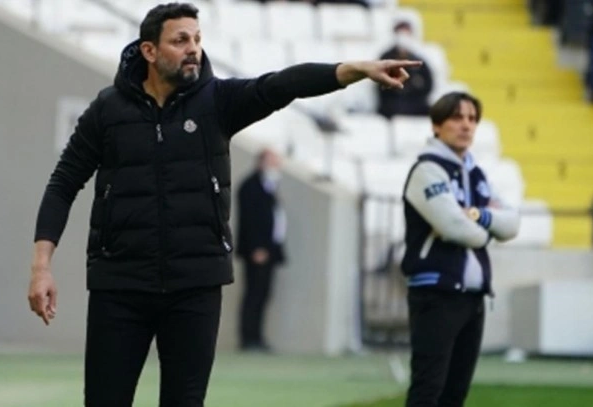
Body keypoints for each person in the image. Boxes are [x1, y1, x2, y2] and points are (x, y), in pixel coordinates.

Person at [27, 2, 420, 405]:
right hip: (120, 284)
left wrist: (356, 70)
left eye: (197, 39)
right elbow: (62, 184)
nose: (193, 49)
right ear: (149, 50)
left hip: (195, 287)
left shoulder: (217, 101)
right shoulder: (107, 110)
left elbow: (282, 85)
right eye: (181, 40)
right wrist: (42, 267)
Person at [401, 92, 520, 407]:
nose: (466, 125)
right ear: (437, 125)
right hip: (436, 293)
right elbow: (454, 226)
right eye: (456, 118)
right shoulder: (427, 170)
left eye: (472, 119)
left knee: (455, 393)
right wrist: (487, 232)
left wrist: (479, 216)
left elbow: (512, 224)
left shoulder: (476, 173)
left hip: (472, 297)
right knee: (428, 388)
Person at [236, 149, 286, 352]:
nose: (276, 166)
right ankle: (248, 338)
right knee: (254, 294)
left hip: (269, 251)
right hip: (257, 252)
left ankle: (257, 337)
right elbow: (250, 220)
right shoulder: (250, 186)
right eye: (272, 161)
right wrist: (256, 247)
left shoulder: (269, 186)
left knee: (263, 294)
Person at [377, 21, 434, 119]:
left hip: (414, 103)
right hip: (392, 103)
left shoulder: (418, 60)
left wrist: (414, 88)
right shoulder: (386, 58)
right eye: (401, 34)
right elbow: (380, 85)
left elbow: (428, 85)